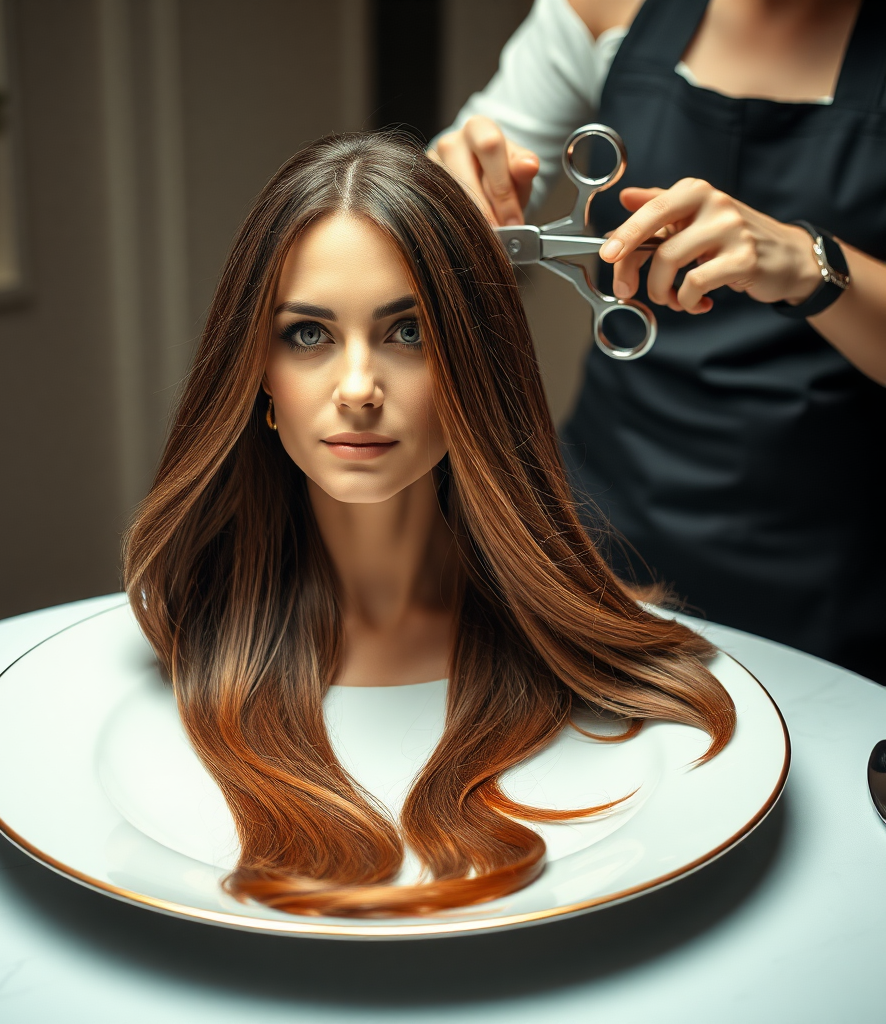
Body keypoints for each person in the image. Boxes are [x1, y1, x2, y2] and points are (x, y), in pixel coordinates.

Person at [123, 134, 734, 918]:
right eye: (308, 334)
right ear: (259, 382)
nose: (357, 388)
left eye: (407, 333)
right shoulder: (176, 662)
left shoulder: (629, 730)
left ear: (474, 370)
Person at [434, 0, 886, 683]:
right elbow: (459, 199)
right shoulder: (602, 10)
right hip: (599, 533)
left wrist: (810, 264)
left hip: (829, 577)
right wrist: (445, 204)